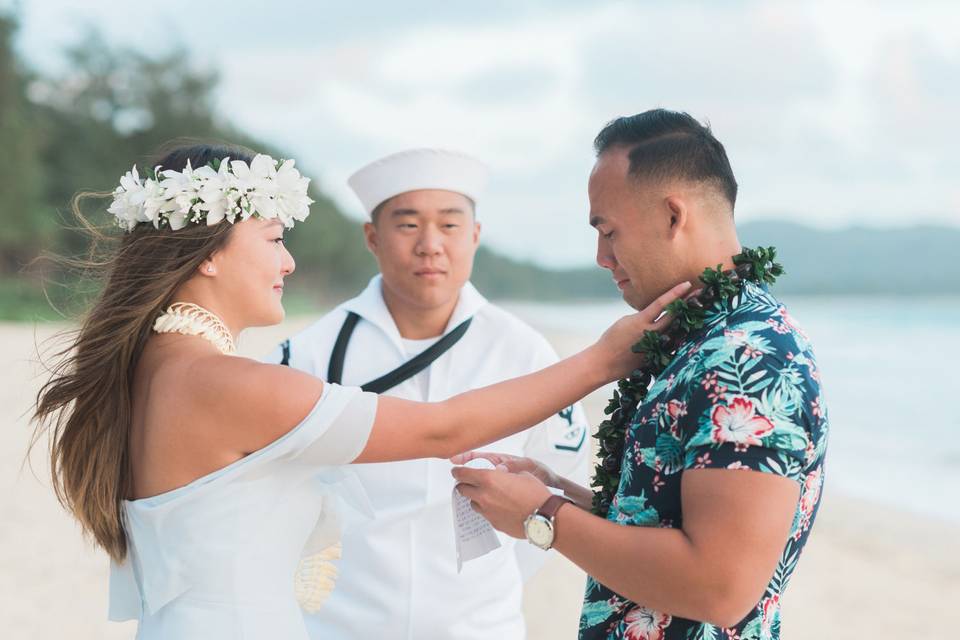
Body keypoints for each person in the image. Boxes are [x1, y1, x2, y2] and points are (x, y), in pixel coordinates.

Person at [30, 142, 688, 640]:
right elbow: (440, 431)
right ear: (208, 252)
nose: (288, 261)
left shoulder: (156, 368)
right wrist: (604, 358)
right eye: (274, 239)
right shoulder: (223, 382)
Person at [452, 109, 829, 639]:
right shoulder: (700, 338)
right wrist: (557, 489)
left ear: (674, 216)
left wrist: (544, 516)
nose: (601, 256)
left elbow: (719, 587)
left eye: (608, 230)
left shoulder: (749, 356)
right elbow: (664, 527)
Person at [267, 148, 590, 640]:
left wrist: (478, 594)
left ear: (476, 236)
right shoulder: (309, 353)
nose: (430, 245)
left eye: (450, 225)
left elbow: (558, 482)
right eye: (408, 225)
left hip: (482, 628)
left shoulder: (526, 354)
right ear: (372, 237)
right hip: (336, 627)